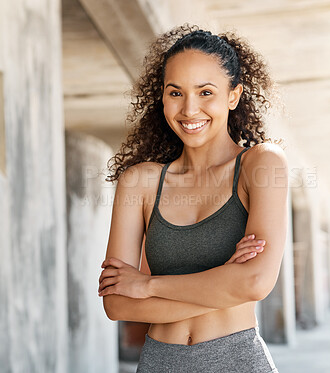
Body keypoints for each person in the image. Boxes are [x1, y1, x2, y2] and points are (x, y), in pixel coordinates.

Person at [98, 23, 288, 373]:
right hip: (159, 363)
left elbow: (255, 282)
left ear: (233, 95)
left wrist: (149, 285)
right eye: (175, 93)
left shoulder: (261, 165)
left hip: (237, 361)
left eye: (205, 92)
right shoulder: (139, 183)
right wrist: (223, 284)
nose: (189, 109)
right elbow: (117, 303)